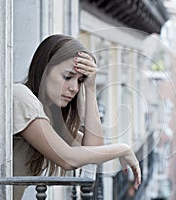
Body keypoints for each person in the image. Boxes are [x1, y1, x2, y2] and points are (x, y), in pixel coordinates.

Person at [13, 34, 141, 199]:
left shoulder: (49, 117)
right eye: (67, 77)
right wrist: (122, 149)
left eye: (80, 80)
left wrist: (91, 88)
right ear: (44, 70)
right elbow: (67, 158)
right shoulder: (21, 96)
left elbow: (93, 148)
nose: (74, 88)